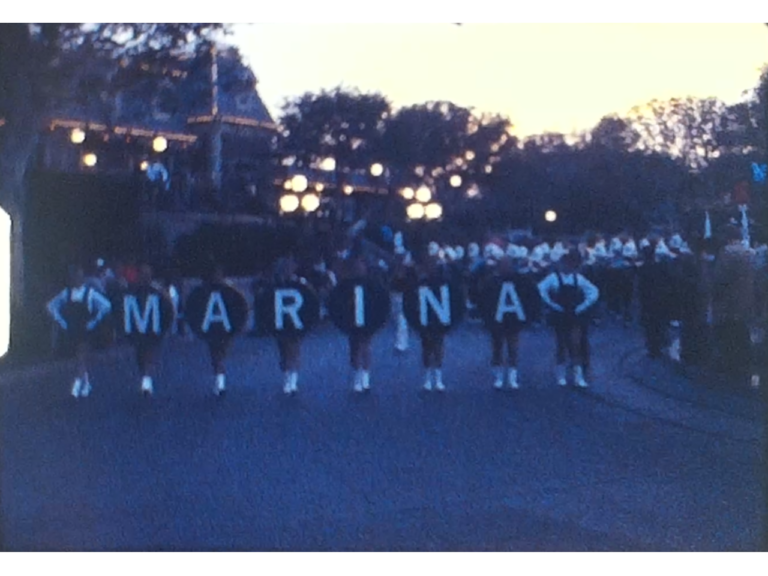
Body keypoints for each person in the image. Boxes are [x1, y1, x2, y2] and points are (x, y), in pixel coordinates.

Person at [47, 264, 112, 398]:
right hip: (72, 329)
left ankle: (77, 385)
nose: (77, 279)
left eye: (80, 277)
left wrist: (94, 321)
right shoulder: (66, 294)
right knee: (78, 357)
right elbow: (51, 306)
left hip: (85, 330)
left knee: (81, 355)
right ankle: (86, 383)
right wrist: (61, 321)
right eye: (75, 277)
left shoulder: (90, 293)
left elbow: (106, 306)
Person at [538, 249, 600, 388]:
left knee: (575, 345)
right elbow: (540, 289)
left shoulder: (578, 278)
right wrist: (551, 304)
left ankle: (578, 377)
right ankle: (560, 375)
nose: (567, 266)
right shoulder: (553, 278)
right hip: (559, 315)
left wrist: (582, 307)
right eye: (565, 263)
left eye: (570, 264)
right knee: (561, 344)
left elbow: (594, 292)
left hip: (574, 315)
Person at [712, 226, 758, 388]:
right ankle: (746, 368)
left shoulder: (727, 253)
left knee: (729, 335)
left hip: (729, 303)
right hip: (748, 301)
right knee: (743, 334)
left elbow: (719, 279)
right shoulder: (752, 253)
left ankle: (731, 369)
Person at [478, 254, 528, 390]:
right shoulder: (491, 281)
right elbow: (484, 300)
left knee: (513, 348)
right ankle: (498, 377)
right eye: (504, 265)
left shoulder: (520, 280)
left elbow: (527, 297)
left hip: (513, 319)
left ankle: (512, 377)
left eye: (508, 265)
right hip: (497, 320)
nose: (506, 268)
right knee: (497, 348)